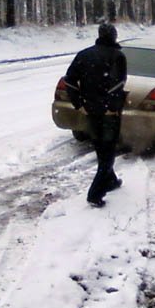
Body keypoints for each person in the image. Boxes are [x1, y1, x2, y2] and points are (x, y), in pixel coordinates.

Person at [64, 23, 127, 208]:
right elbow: (119, 84)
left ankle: (111, 180)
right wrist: (112, 106)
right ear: (114, 36)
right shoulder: (117, 56)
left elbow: (70, 80)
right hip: (109, 112)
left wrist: (79, 103)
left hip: (91, 111)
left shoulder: (84, 55)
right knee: (108, 151)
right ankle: (95, 193)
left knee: (100, 145)